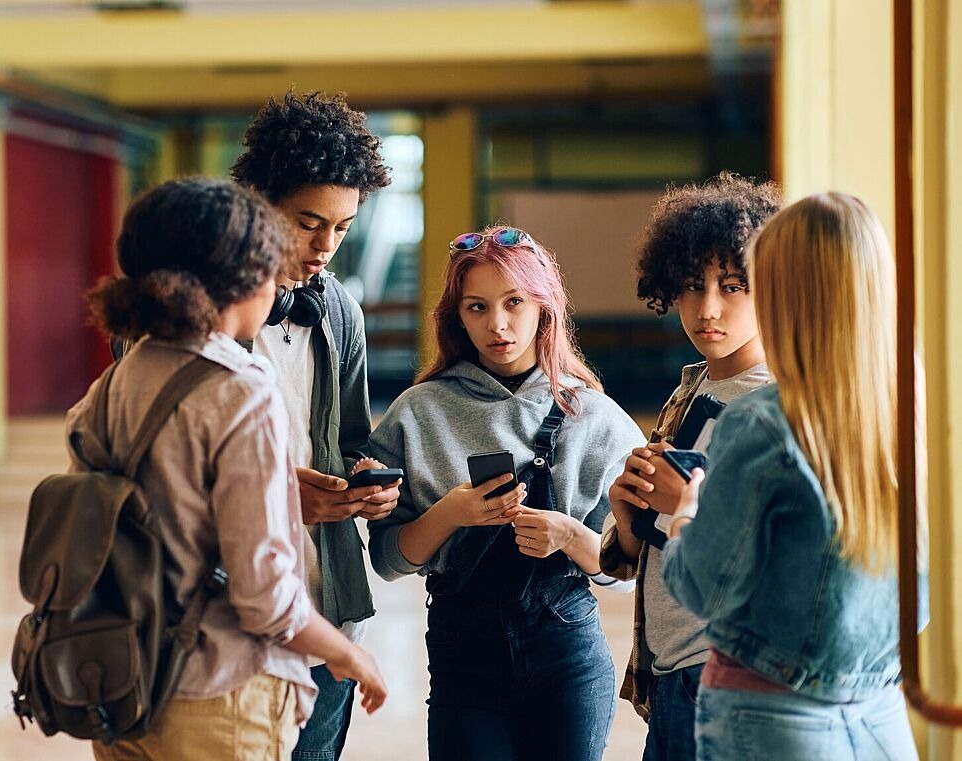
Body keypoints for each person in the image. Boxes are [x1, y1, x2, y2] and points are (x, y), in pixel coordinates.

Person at [76, 178, 386, 761]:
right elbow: (262, 593)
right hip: (218, 690)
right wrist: (344, 653)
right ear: (237, 279)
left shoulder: (114, 382)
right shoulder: (241, 391)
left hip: (125, 681)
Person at [366, 225, 644, 761]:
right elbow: (388, 562)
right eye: (477, 307)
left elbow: (626, 574)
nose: (497, 324)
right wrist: (452, 512)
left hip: (567, 659)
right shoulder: (419, 413)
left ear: (544, 307)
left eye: (514, 302)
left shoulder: (596, 417)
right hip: (464, 664)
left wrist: (566, 534)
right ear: (457, 316)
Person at [661, 192, 918, 760]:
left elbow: (704, 587)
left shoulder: (763, 422)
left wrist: (684, 512)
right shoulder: (919, 415)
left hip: (768, 711)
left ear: (782, 294)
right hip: (882, 704)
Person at [230, 90, 398, 761]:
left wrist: (366, 483)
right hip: (223, 620)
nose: (326, 245)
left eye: (344, 227)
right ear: (256, 200)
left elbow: (351, 439)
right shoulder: (182, 313)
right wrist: (269, 494)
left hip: (327, 602)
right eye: (307, 222)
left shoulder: (340, 315)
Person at [598, 172, 781, 761]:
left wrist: (685, 508)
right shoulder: (693, 386)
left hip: (732, 671)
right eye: (691, 286)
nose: (708, 309)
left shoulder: (784, 402)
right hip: (669, 668)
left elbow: (794, 559)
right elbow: (644, 555)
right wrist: (628, 515)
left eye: (733, 287)